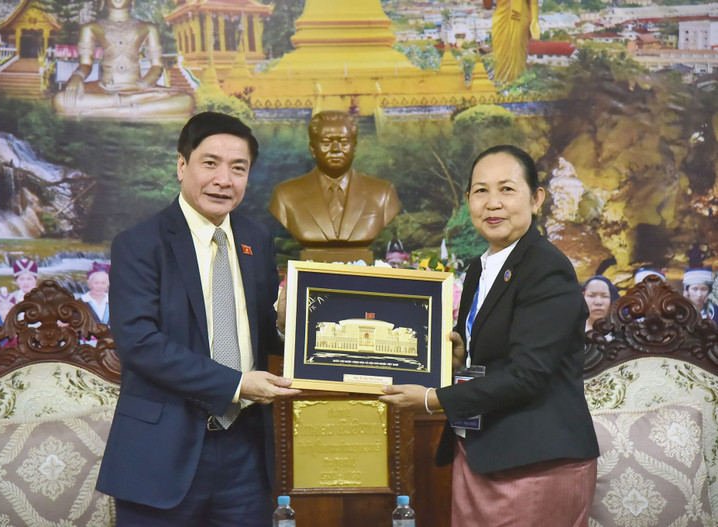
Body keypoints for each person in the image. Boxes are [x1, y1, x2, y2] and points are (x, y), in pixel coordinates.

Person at [96, 112, 300, 526]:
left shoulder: (255, 239)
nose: (224, 179)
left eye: (238, 168)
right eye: (210, 163)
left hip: (245, 453)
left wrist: (291, 326)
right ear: (181, 165)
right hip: (161, 454)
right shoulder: (139, 244)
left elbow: (260, 328)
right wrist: (237, 383)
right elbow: (140, 344)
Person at [380, 145, 599, 526]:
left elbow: (528, 374)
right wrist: (463, 356)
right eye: (481, 191)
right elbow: (496, 355)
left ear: (536, 199)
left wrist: (433, 398)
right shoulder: (481, 268)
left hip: (534, 463)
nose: (492, 203)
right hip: (482, 451)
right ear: (468, 201)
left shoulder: (547, 269)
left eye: (507, 190)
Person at [268, 110, 401, 262]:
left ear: (355, 147)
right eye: (326, 142)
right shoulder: (285, 196)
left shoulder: (383, 194)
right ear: (312, 149)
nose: (336, 149)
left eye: (344, 142)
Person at [51, 0, 193, 119]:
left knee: (186, 100)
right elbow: (85, 64)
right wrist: (77, 76)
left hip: (139, 88)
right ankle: (130, 103)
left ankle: (114, 110)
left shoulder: (148, 28)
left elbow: (156, 66)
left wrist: (142, 86)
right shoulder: (91, 28)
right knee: (60, 100)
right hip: (105, 88)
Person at [487, 0, 540, 82]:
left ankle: (517, 85)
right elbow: (487, 6)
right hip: (501, 19)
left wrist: (534, 20)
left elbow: (533, 2)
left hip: (519, 17)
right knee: (500, 56)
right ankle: (501, 84)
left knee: (517, 54)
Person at [81, 261, 111, 326]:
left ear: (108, 285)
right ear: (89, 283)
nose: (99, 286)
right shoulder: (80, 302)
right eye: (96, 283)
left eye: (103, 283)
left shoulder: (114, 301)